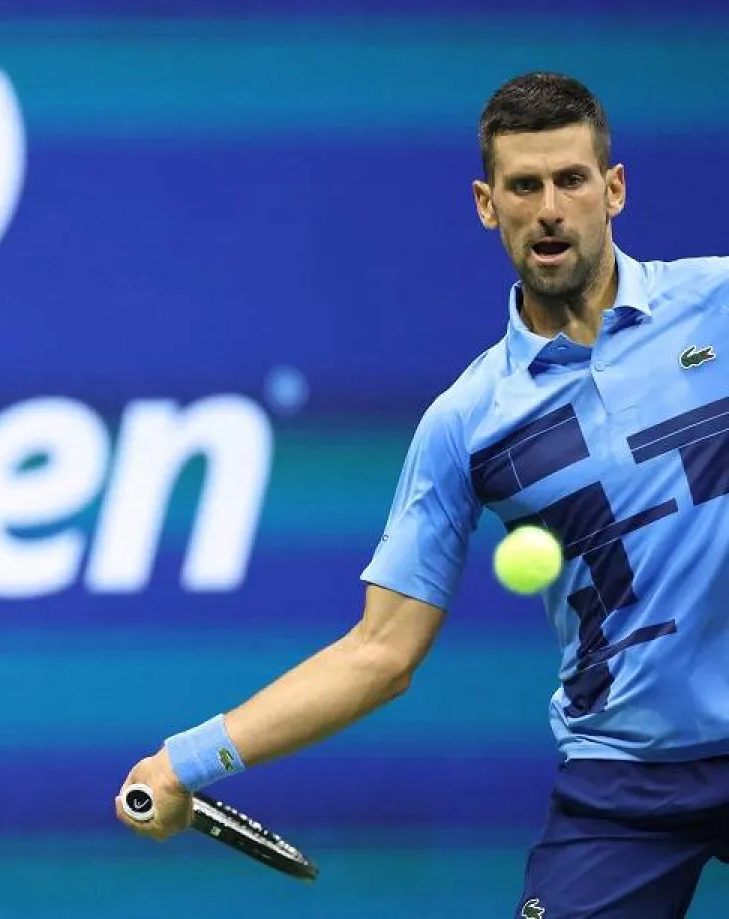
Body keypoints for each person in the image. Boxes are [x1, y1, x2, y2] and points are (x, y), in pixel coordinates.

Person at [115, 71, 729, 917]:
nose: (551, 209)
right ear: (487, 204)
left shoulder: (717, 305)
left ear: (613, 188)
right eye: (524, 186)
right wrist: (183, 759)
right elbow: (379, 652)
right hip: (624, 778)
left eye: (572, 180)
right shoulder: (468, 422)